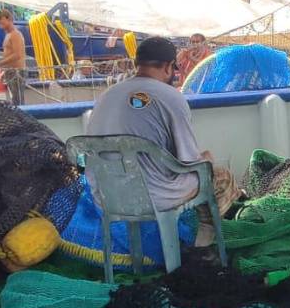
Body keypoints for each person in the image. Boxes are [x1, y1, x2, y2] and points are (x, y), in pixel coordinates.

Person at [86, 37, 241, 247]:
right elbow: (189, 162)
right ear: (168, 67)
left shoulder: (106, 96)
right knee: (219, 175)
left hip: (106, 196)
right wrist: (206, 159)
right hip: (153, 197)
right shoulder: (171, 97)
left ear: (137, 64)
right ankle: (203, 248)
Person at [0, 9, 26, 106]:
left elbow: (17, 55)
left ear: (9, 19)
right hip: (10, 72)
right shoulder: (8, 35)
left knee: (18, 102)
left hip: (17, 73)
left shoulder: (16, 34)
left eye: (0, 19)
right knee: (14, 101)